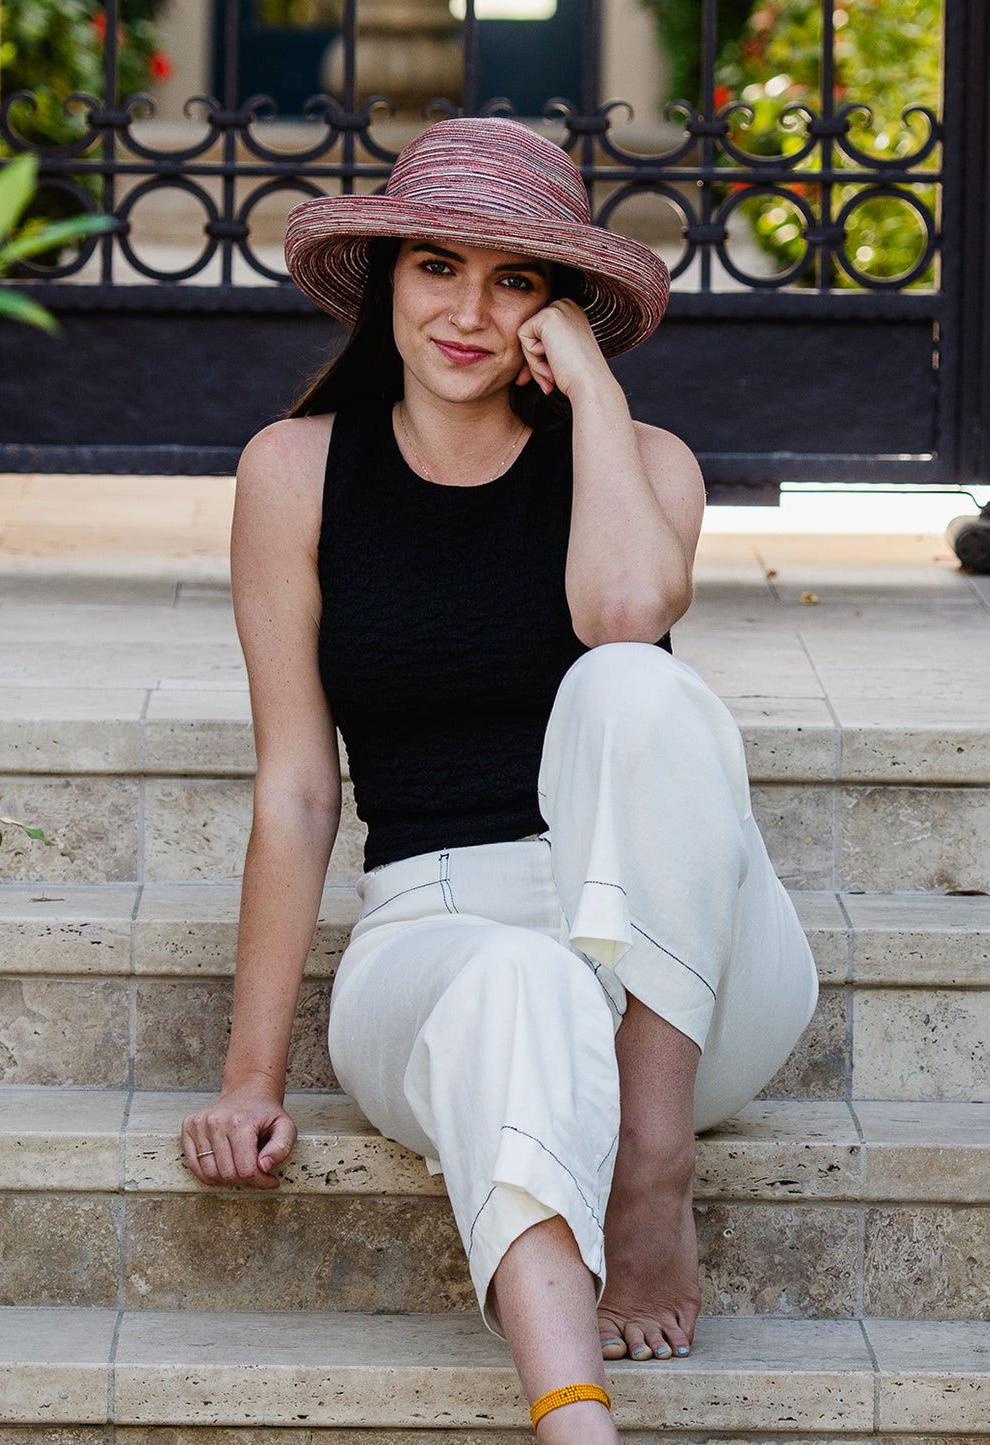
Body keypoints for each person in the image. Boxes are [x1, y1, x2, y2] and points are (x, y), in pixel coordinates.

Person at [180, 116, 818, 1442]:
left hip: (673, 984)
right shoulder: (293, 473)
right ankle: (574, 1421)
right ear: (384, 282)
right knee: (518, 979)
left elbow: (627, 607)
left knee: (632, 681)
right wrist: (250, 1077)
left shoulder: (642, 467)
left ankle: (648, 1167)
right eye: (435, 266)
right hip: (443, 943)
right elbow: (298, 789)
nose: (468, 311)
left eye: (515, 278)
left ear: (562, 307)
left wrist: (593, 392)